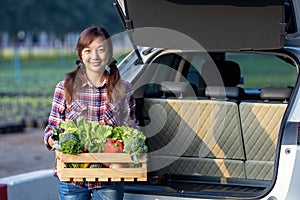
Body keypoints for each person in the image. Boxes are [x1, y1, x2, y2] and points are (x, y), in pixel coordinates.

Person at [43, 26, 139, 200]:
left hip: (109, 180)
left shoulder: (123, 89)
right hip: (72, 180)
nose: (94, 57)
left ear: (109, 54)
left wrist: (131, 144)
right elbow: (52, 129)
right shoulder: (65, 88)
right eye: (88, 51)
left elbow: (131, 128)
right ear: (81, 54)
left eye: (101, 50)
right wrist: (56, 144)